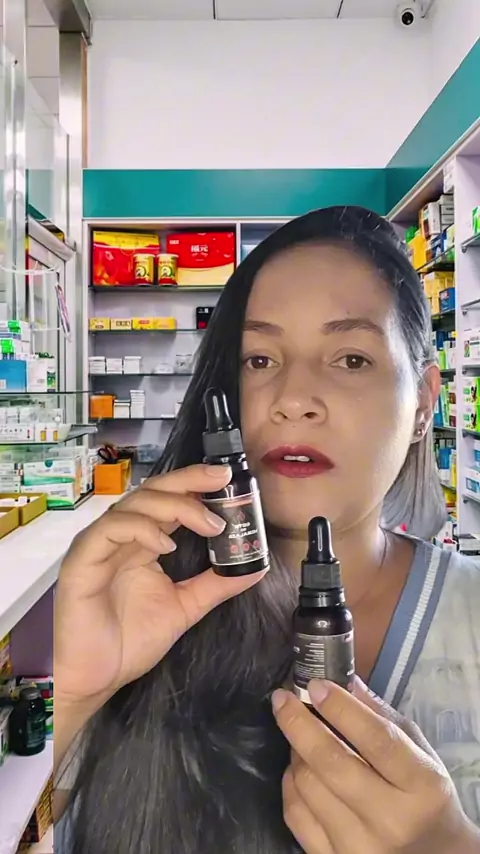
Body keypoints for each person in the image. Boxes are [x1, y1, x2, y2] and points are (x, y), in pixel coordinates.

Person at [54, 206, 480, 854]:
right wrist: (74, 697)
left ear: (424, 402)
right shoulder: (139, 609)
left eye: (351, 358)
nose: (293, 398)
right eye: (259, 359)